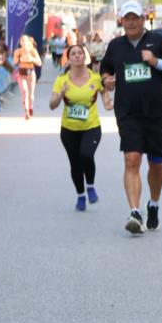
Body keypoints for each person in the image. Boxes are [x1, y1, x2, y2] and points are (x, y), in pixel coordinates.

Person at [99, 0, 162, 234]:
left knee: (156, 162)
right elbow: (104, 69)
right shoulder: (116, 45)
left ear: (143, 20)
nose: (132, 22)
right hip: (128, 112)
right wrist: (107, 80)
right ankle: (135, 212)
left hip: (156, 113)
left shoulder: (157, 41)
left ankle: (153, 204)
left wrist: (156, 62)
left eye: (135, 18)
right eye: (127, 18)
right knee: (132, 159)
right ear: (122, 21)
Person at [49, 44, 112, 211]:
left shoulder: (95, 77)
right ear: (68, 59)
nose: (77, 56)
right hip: (68, 128)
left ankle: (90, 185)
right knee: (75, 163)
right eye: (73, 54)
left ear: (85, 57)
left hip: (91, 126)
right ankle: (80, 195)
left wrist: (106, 102)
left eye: (80, 53)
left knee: (86, 155)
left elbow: (104, 91)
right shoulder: (61, 80)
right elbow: (52, 105)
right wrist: (61, 93)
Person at [13, 35, 42, 120]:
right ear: (21, 43)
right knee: (25, 92)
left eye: (25, 41)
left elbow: (39, 63)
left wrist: (32, 59)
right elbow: (15, 62)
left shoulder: (33, 51)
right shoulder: (18, 51)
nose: (24, 43)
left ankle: (30, 106)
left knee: (31, 95)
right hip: (22, 73)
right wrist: (19, 58)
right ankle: (26, 112)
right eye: (22, 41)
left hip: (31, 73)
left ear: (29, 43)